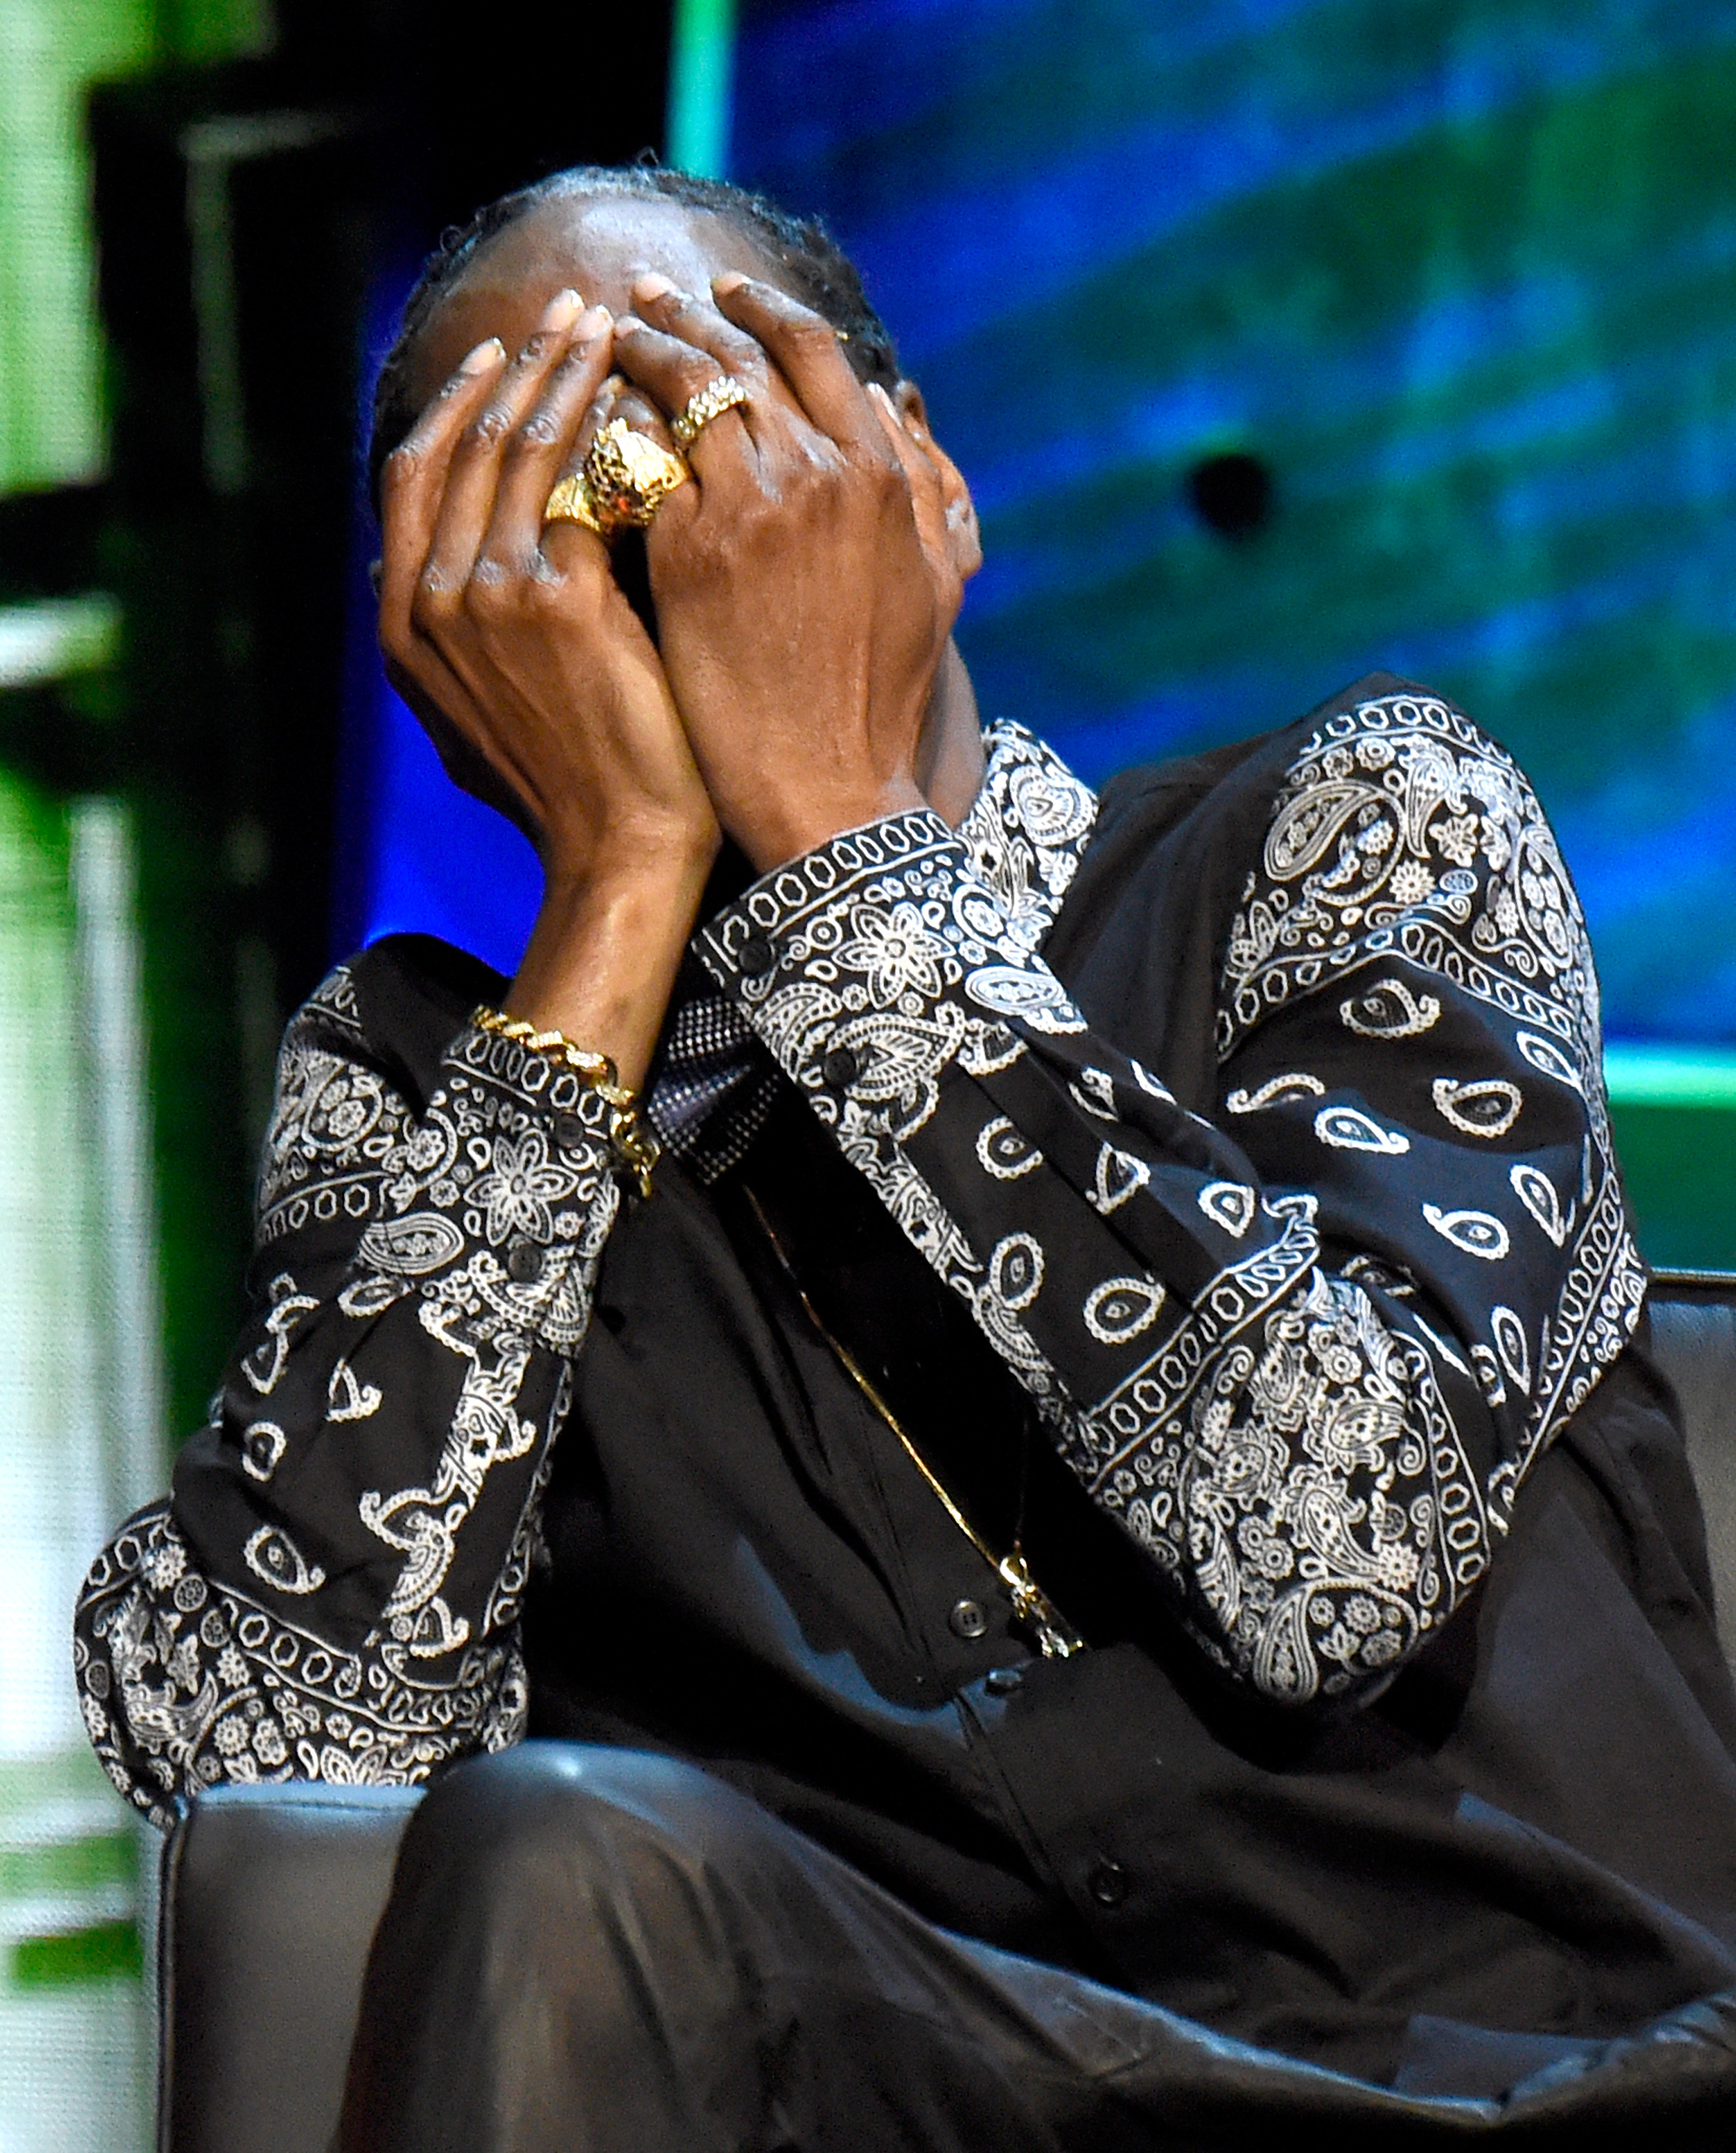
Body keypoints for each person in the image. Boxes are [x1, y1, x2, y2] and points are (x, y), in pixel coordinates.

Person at [73, 165, 1736, 2149]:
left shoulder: (1353, 827)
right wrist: (618, 889)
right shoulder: (425, 1091)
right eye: (513, 480)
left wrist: (838, 840)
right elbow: (278, 1780)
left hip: (1546, 2081)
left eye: (687, 411)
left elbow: (1337, 1550)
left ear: (915, 474)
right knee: (543, 1851)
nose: (628, 509)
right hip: (904, 2093)